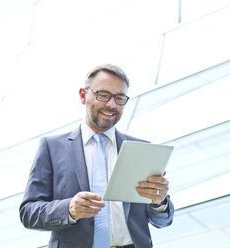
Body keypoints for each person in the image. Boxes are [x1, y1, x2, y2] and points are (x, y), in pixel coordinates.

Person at [19, 64, 174, 248]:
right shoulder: (52, 148)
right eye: (103, 95)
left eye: (120, 98)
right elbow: (28, 213)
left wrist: (159, 201)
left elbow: (163, 221)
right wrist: (69, 209)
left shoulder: (141, 150)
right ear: (83, 95)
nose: (112, 104)